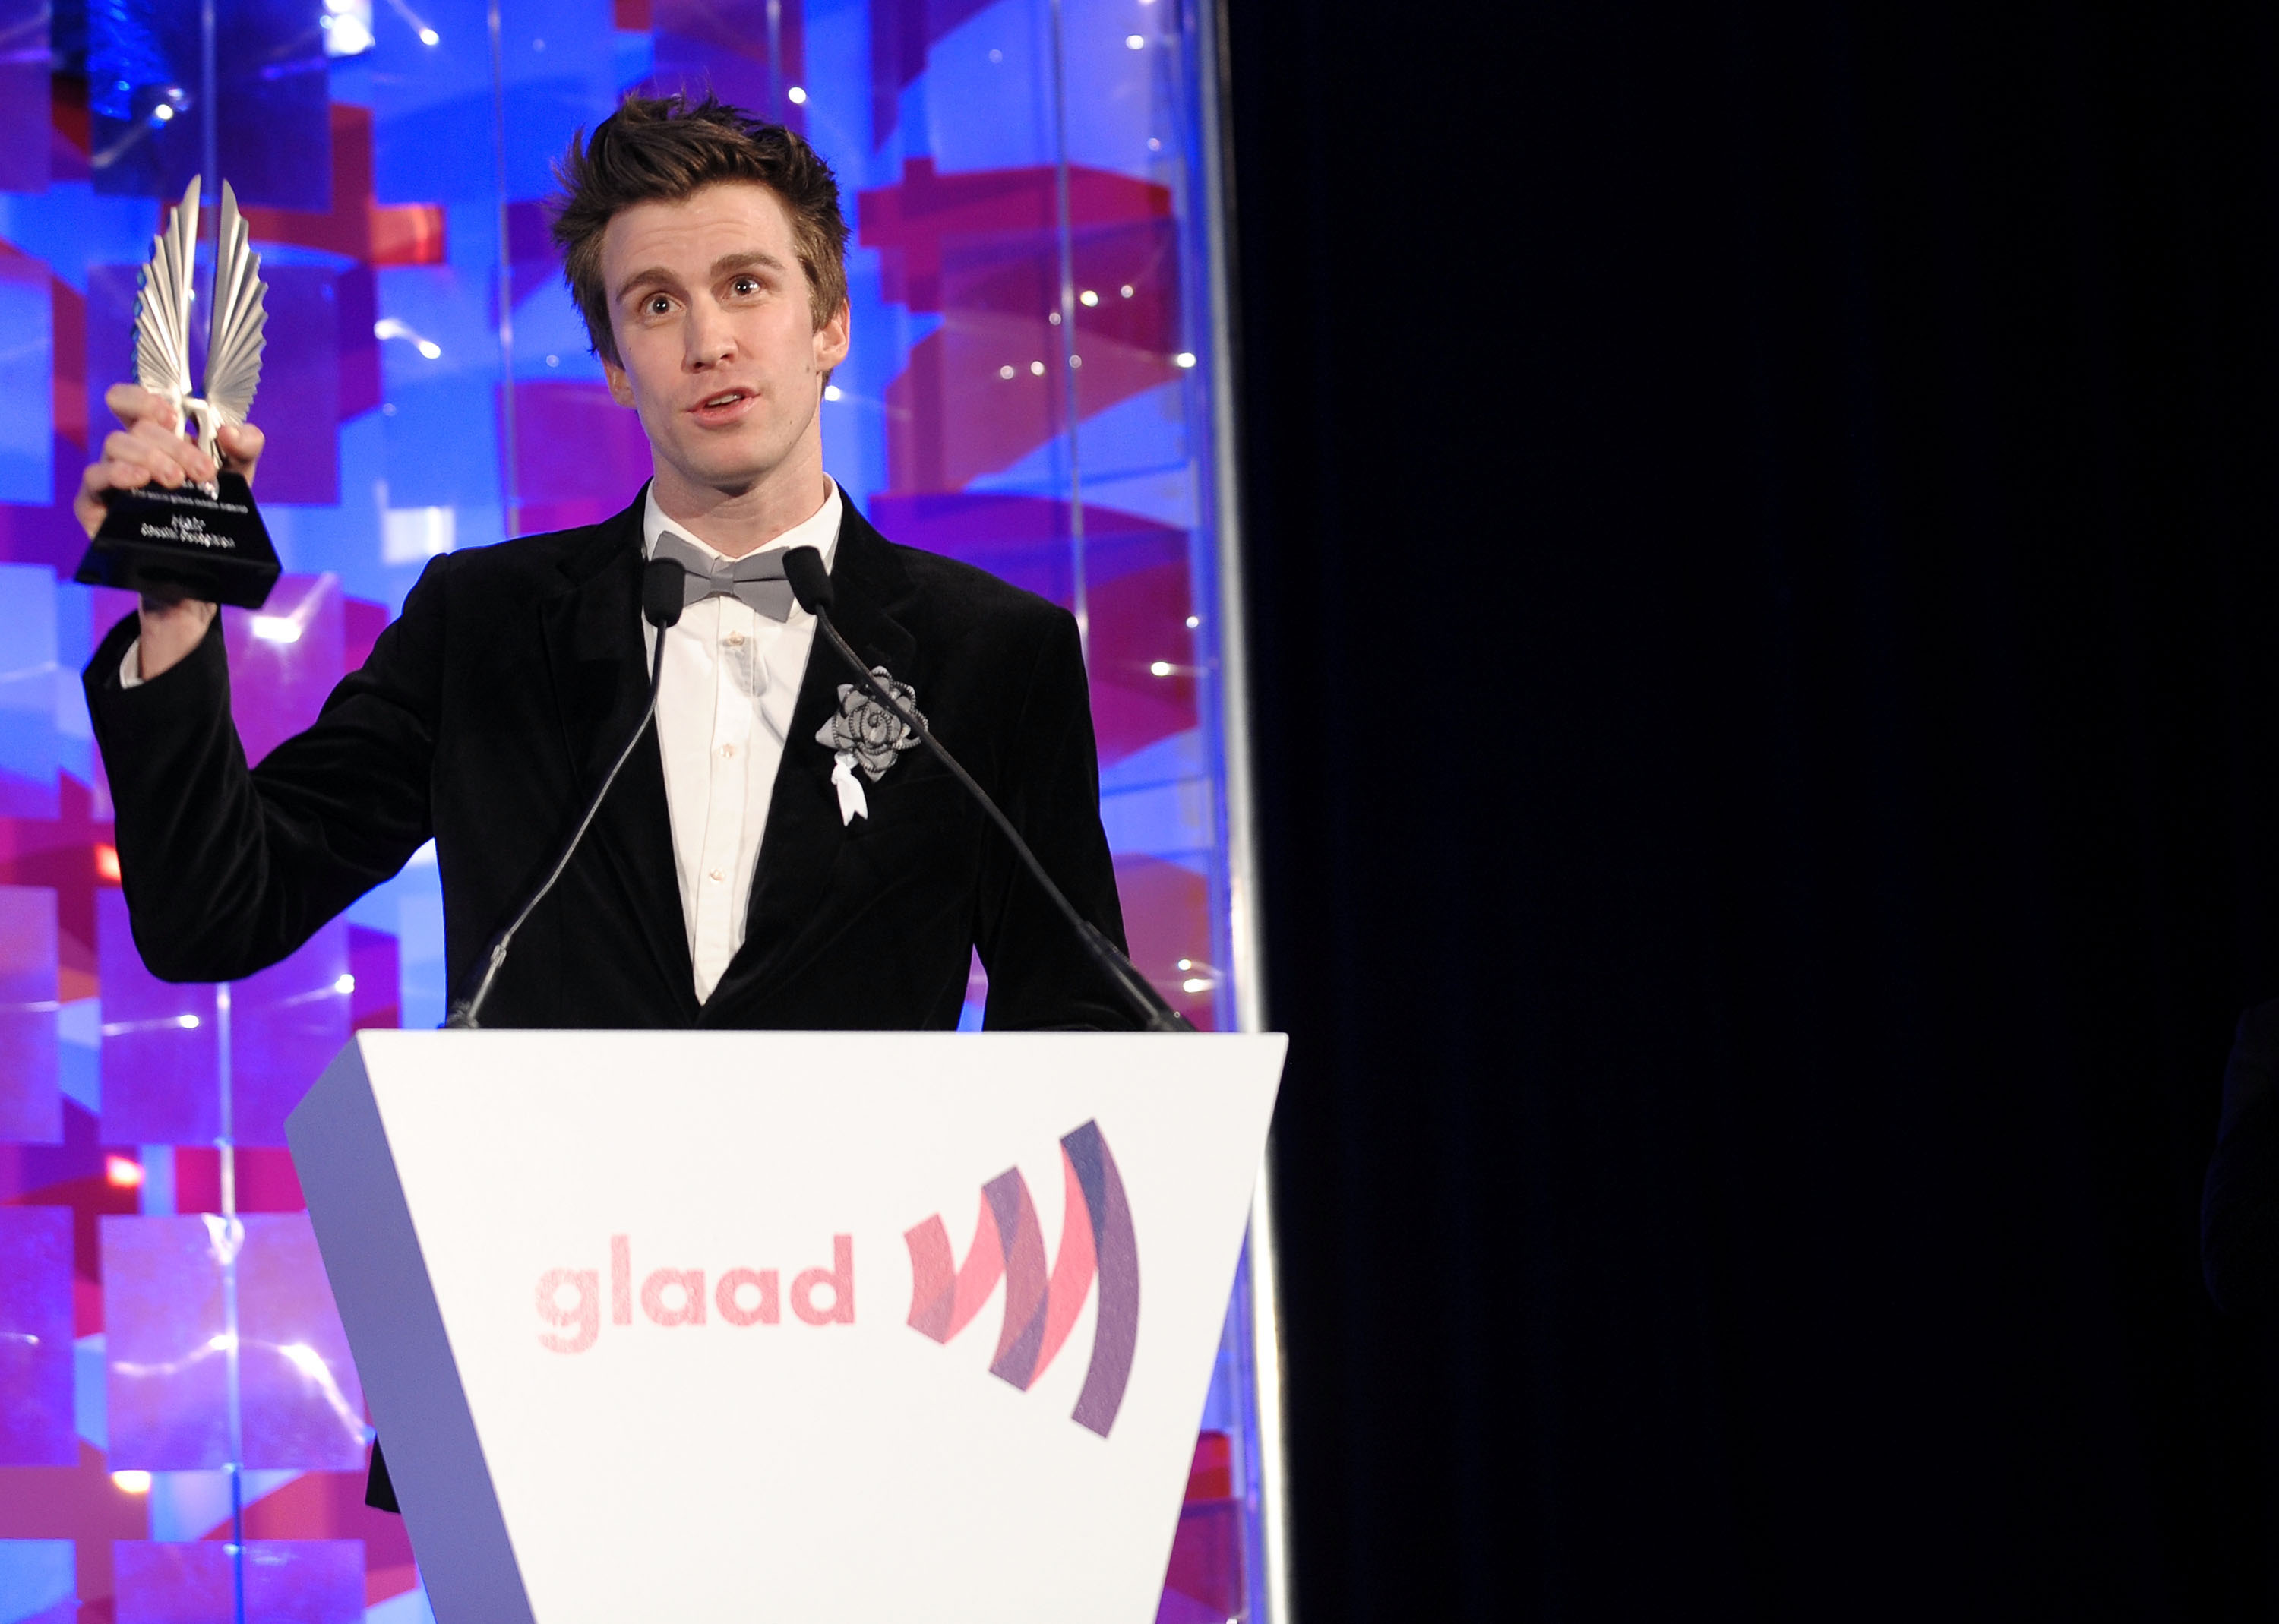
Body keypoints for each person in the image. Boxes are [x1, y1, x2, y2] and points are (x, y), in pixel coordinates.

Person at [76, 94, 1138, 1506]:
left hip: (869, 1401)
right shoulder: (485, 620)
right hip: (540, 1384)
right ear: (616, 361)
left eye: (747, 286)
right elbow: (221, 909)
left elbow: (1075, 1020)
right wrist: (174, 617)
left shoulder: (990, 651)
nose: (707, 338)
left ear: (826, 323)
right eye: (655, 304)